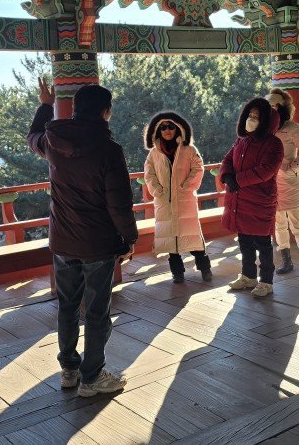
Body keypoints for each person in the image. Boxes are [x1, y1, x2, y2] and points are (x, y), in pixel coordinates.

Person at [28, 79, 137, 398]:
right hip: (97, 243)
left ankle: (69, 370)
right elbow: (119, 203)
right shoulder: (109, 150)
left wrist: (45, 105)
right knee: (97, 312)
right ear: (106, 112)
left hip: (63, 241)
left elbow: (32, 137)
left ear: (75, 109)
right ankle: (92, 377)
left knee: (68, 306)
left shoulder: (53, 140)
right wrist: (130, 237)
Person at [220, 98, 284, 297]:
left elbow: (265, 171)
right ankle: (248, 276)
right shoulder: (242, 140)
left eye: (257, 116)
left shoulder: (274, 144)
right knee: (244, 241)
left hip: (259, 202)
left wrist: (237, 180)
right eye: (250, 115)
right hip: (239, 201)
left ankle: (266, 281)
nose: (252, 119)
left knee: (263, 244)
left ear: (266, 121)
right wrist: (227, 176)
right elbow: (228, 159)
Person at [143, 111, 212, 284]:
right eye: (163, 127)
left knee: (194, 239)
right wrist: (157, 190)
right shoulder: (154, 153)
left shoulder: (189, 149)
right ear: (157, 131)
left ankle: (205, 269)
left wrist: (186, 186)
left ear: (178, 128)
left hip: (184, 200)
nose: (167, 130)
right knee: (171, 243)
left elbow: (198, 168)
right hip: (164, 201)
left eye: (171, 127)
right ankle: (177, 273)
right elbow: (149, 175)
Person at [266, 88, 299, 281]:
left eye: (275, 106)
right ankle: (286, 261)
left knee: (297, 223)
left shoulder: (293, 128)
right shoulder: (264, 129)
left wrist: (292, 167)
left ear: (283, 107)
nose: (271, 109)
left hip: (291, 182)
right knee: (279, 224)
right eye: (268, 106)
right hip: (271, 183)